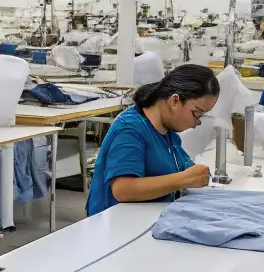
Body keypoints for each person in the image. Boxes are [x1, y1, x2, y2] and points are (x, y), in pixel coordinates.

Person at [86, 65, 219, 216]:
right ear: (175, 101)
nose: (197, 123)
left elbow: (182, 167)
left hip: (144, 220)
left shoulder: (168, 133)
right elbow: (122, 189)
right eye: (196, 114)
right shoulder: (130, 130)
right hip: (115, 227)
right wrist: (185, 178)